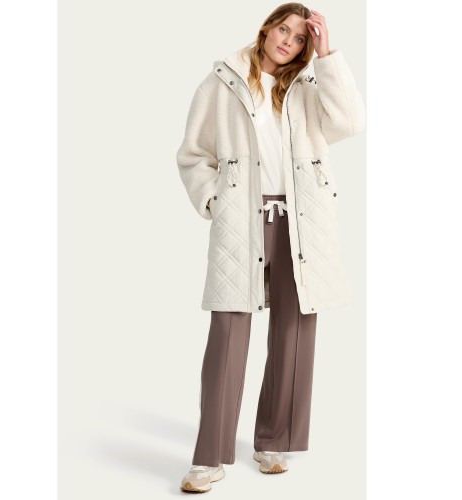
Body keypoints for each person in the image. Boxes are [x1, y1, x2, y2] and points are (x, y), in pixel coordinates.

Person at [176, 2, 365, 493]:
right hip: (243, 218)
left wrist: (328, 56)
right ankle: (208, 457)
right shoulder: (221, 84)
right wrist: (215, 200)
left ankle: (273, 441)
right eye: (284, 30)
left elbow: (349, 123)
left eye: (301, 38)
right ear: (267, 29)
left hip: (301, 220)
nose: (289, 41)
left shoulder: (308, 87)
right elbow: (193, 155)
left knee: (294, 332)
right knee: (228, 334)